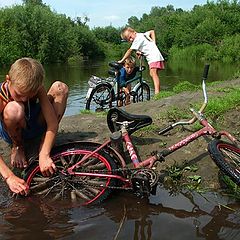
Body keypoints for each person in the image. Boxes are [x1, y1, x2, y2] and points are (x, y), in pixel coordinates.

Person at [0, 57, 68, 195]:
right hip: (13, 128)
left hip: (33, 123)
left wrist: (44, 154)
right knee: (14, 108)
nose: (25, 99)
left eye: (30, 94)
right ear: (8, 80)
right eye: (19, 94)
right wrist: (9, 176)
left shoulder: (37, 87)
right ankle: (18, 146)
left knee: (60, 87)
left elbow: (52, 123)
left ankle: (44, 142)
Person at [119, 27, 165, 95]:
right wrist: (153, 43)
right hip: (154, 57)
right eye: (129, 40)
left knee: (154, 73)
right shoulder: (142, 35)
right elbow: (152, 31)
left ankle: (157, 92)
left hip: (154, 57)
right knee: (152, 74)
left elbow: (130, 51)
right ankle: (157, 90)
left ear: (134, 32)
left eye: (130, 37)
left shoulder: (137, 39)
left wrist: (122, 60)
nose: (131, 39)